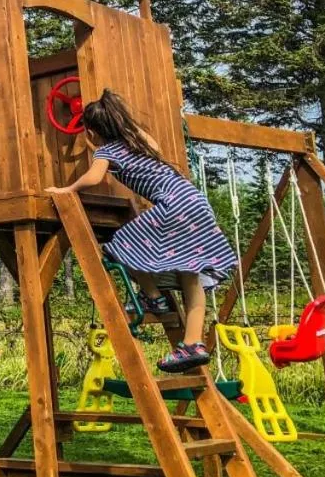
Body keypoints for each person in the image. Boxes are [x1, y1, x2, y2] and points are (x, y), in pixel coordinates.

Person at [45, 89, 237, 372]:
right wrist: (119, 121)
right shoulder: (141, 142)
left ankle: (153, 297)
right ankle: (193, 344)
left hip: (172, 204)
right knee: (190, 273)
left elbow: (95, 176)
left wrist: (67, 189)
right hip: (194, 201)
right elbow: (147, 146)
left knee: (119, 246)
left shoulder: (106, 151)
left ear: (93, 131)